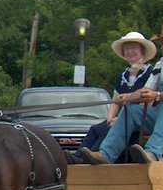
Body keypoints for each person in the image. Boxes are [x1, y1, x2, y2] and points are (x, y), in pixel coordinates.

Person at [80, 21, 163, 165]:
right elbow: (145, 91)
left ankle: (152, 153)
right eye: (162, 43)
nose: (162, 46)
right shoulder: (161, 65)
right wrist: (129, 97)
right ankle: (106, 154)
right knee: (131, 110)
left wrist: (157, 95)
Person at [65, 31, 157, 164]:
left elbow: (148, 101)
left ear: (142, 50)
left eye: (133, 47)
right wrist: (110, 118)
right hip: (120, 119)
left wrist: (119, 120)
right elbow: (115, 101)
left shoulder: (150, 73)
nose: (130, 51)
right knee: (95, 129)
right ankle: (78, 157)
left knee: (108, 130)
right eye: (127, 48)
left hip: (137, 121)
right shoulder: (123, 75)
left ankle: (94, 160)